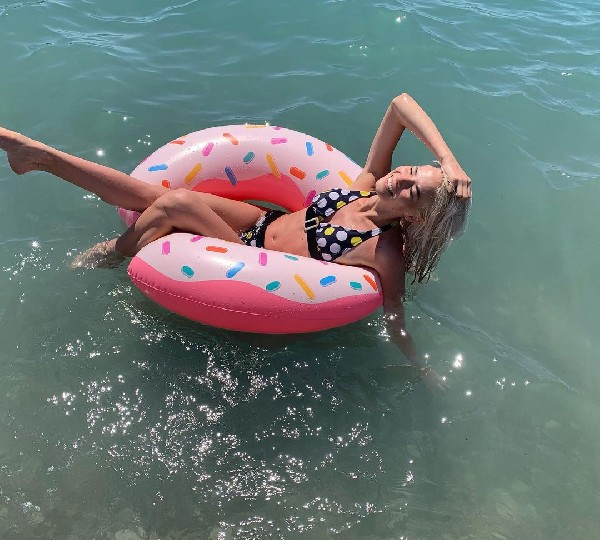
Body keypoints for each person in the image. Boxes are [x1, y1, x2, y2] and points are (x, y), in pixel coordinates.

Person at [0, 93, 471, 388]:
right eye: (411, 170)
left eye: (414, 191)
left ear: (417, 216)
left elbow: (393, 313)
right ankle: (40, 156)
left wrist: (420, 368)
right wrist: (448, 162)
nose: (401, 179)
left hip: (253, 259)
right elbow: (400, 105)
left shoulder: (383, 248)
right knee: (150, 195)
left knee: (175, 204)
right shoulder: (365, 185)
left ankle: (114, 252)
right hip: (259, 223)